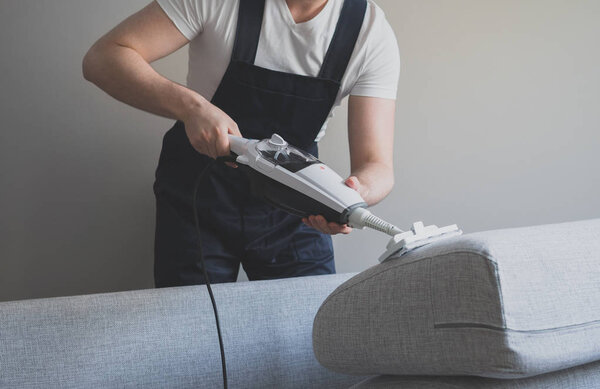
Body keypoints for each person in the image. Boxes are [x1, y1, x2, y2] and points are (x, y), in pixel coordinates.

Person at [83, 0, 400, 287]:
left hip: (296, 208)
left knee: (305, 332)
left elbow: (377, 165)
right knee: (196, 336)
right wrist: (192, 108)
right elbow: (103, 58)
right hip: (196, 197)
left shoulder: (369, 33)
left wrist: (350, 196)